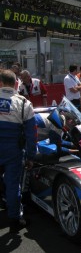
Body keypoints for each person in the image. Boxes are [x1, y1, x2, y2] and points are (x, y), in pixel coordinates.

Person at [0, 69, 37, 230]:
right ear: (16, 83)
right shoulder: (23, 103)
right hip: (13, 150)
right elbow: (31, 134)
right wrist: (31, 156)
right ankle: (14, 219)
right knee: (13, 184)